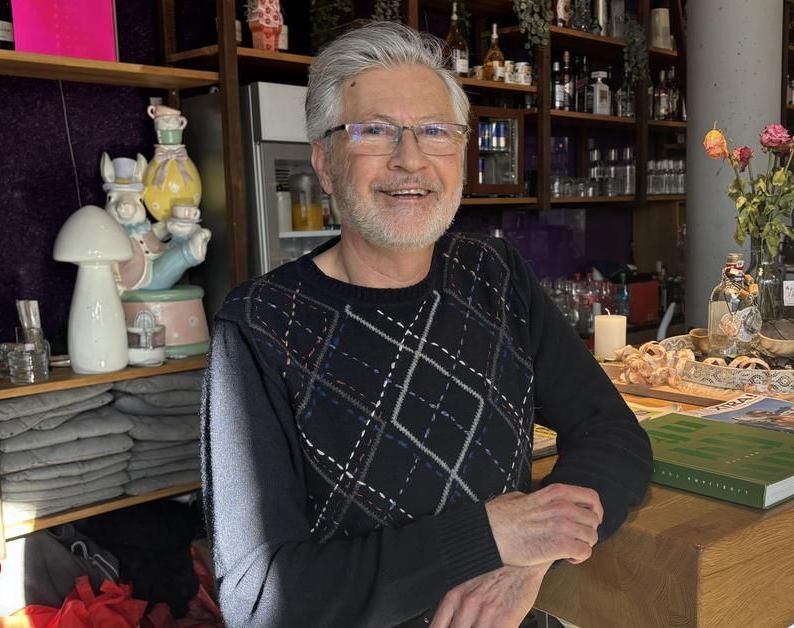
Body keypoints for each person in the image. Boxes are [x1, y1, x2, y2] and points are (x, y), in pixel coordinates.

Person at [201, 21, 652, 628]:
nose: (409, 159)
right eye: (375, 131)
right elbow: (260, 601)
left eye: (435, 132)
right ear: (326, 164)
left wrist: (529, 555)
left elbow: (614, 435)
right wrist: (490, 534)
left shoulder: (496, 278)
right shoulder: (258, 327)